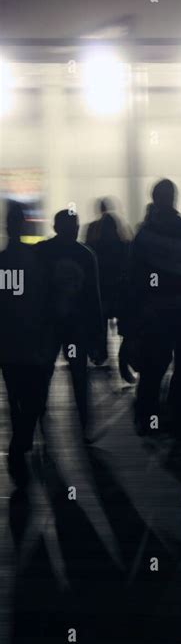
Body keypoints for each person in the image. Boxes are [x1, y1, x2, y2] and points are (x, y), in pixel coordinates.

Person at [121, 180, 181, 440]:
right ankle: (178, 418)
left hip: (156, 313)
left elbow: (134, 280)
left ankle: (149, 419)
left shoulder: (144, 236)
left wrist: (132, 321)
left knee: (153, 369)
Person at [38, 210, 105, 437]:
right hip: (77, 327)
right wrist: (99, 338)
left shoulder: (43, 252)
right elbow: (94, 299)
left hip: (50, 324)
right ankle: (85, 423)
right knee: (79, 375)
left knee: (44, 373)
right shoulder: (85, 255)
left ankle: (39, 419)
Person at [0, 202, 54, 483]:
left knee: (16, 396)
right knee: (33, 397)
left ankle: (20, 441)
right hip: (31, 339)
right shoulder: (36, 260)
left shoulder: (3, 262)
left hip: (9, 341)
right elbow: (44, 300)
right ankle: (21, 439)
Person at [85, 198, 132, 372]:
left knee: (101, 324)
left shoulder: (93, 238)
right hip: (118, 292)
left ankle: (100, 354)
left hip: (102, 291)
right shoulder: (124, 242)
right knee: (123, 327)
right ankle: (123, 357)